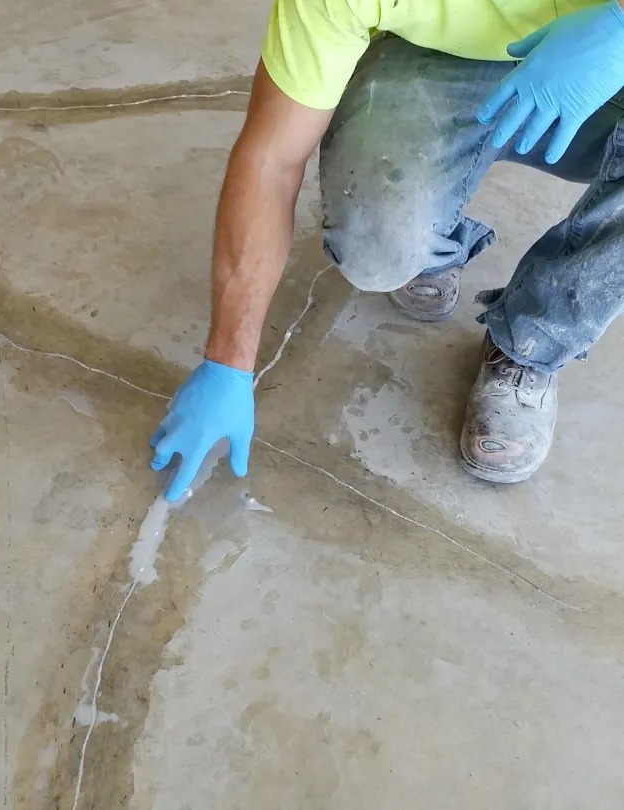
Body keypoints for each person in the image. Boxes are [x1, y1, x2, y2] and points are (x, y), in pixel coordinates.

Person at [150, 0, 624, 501]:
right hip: (442, 58)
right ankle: (433, 242)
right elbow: (271, 161)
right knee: (375, 244)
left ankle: (533, 344)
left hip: (606, 57)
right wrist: (227, 363)